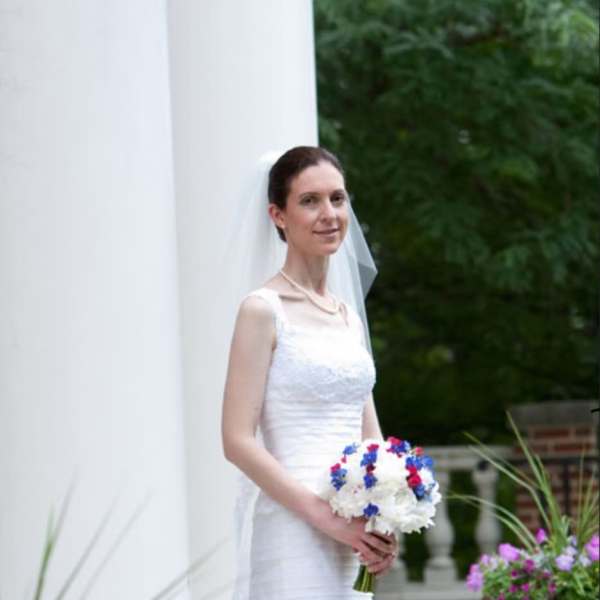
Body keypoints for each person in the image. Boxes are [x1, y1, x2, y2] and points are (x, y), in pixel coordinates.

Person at [221, 146, 397, 599]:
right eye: (309, 201)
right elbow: (237, 440)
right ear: (278, 215)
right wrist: (326, 518)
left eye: (337, 198)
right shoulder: (262, 310)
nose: (329, 214)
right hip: (293, 528)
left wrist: (383, 518)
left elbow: (370, 436)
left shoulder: (347, 317)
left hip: (352, 531)